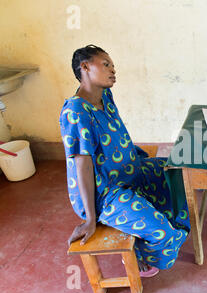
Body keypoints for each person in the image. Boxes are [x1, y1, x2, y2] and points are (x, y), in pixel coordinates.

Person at [60, 45, 190, 277]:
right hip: (106, 192)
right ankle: (142, 252)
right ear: (85, 66)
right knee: (163, 233)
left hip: (129, 171)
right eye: (106, 64)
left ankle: (152, 224)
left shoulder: (105, 96)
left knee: (172, 170)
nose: (113, 70)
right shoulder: (76, 111)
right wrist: (90, 219)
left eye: (113, 66)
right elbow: (83, 165)